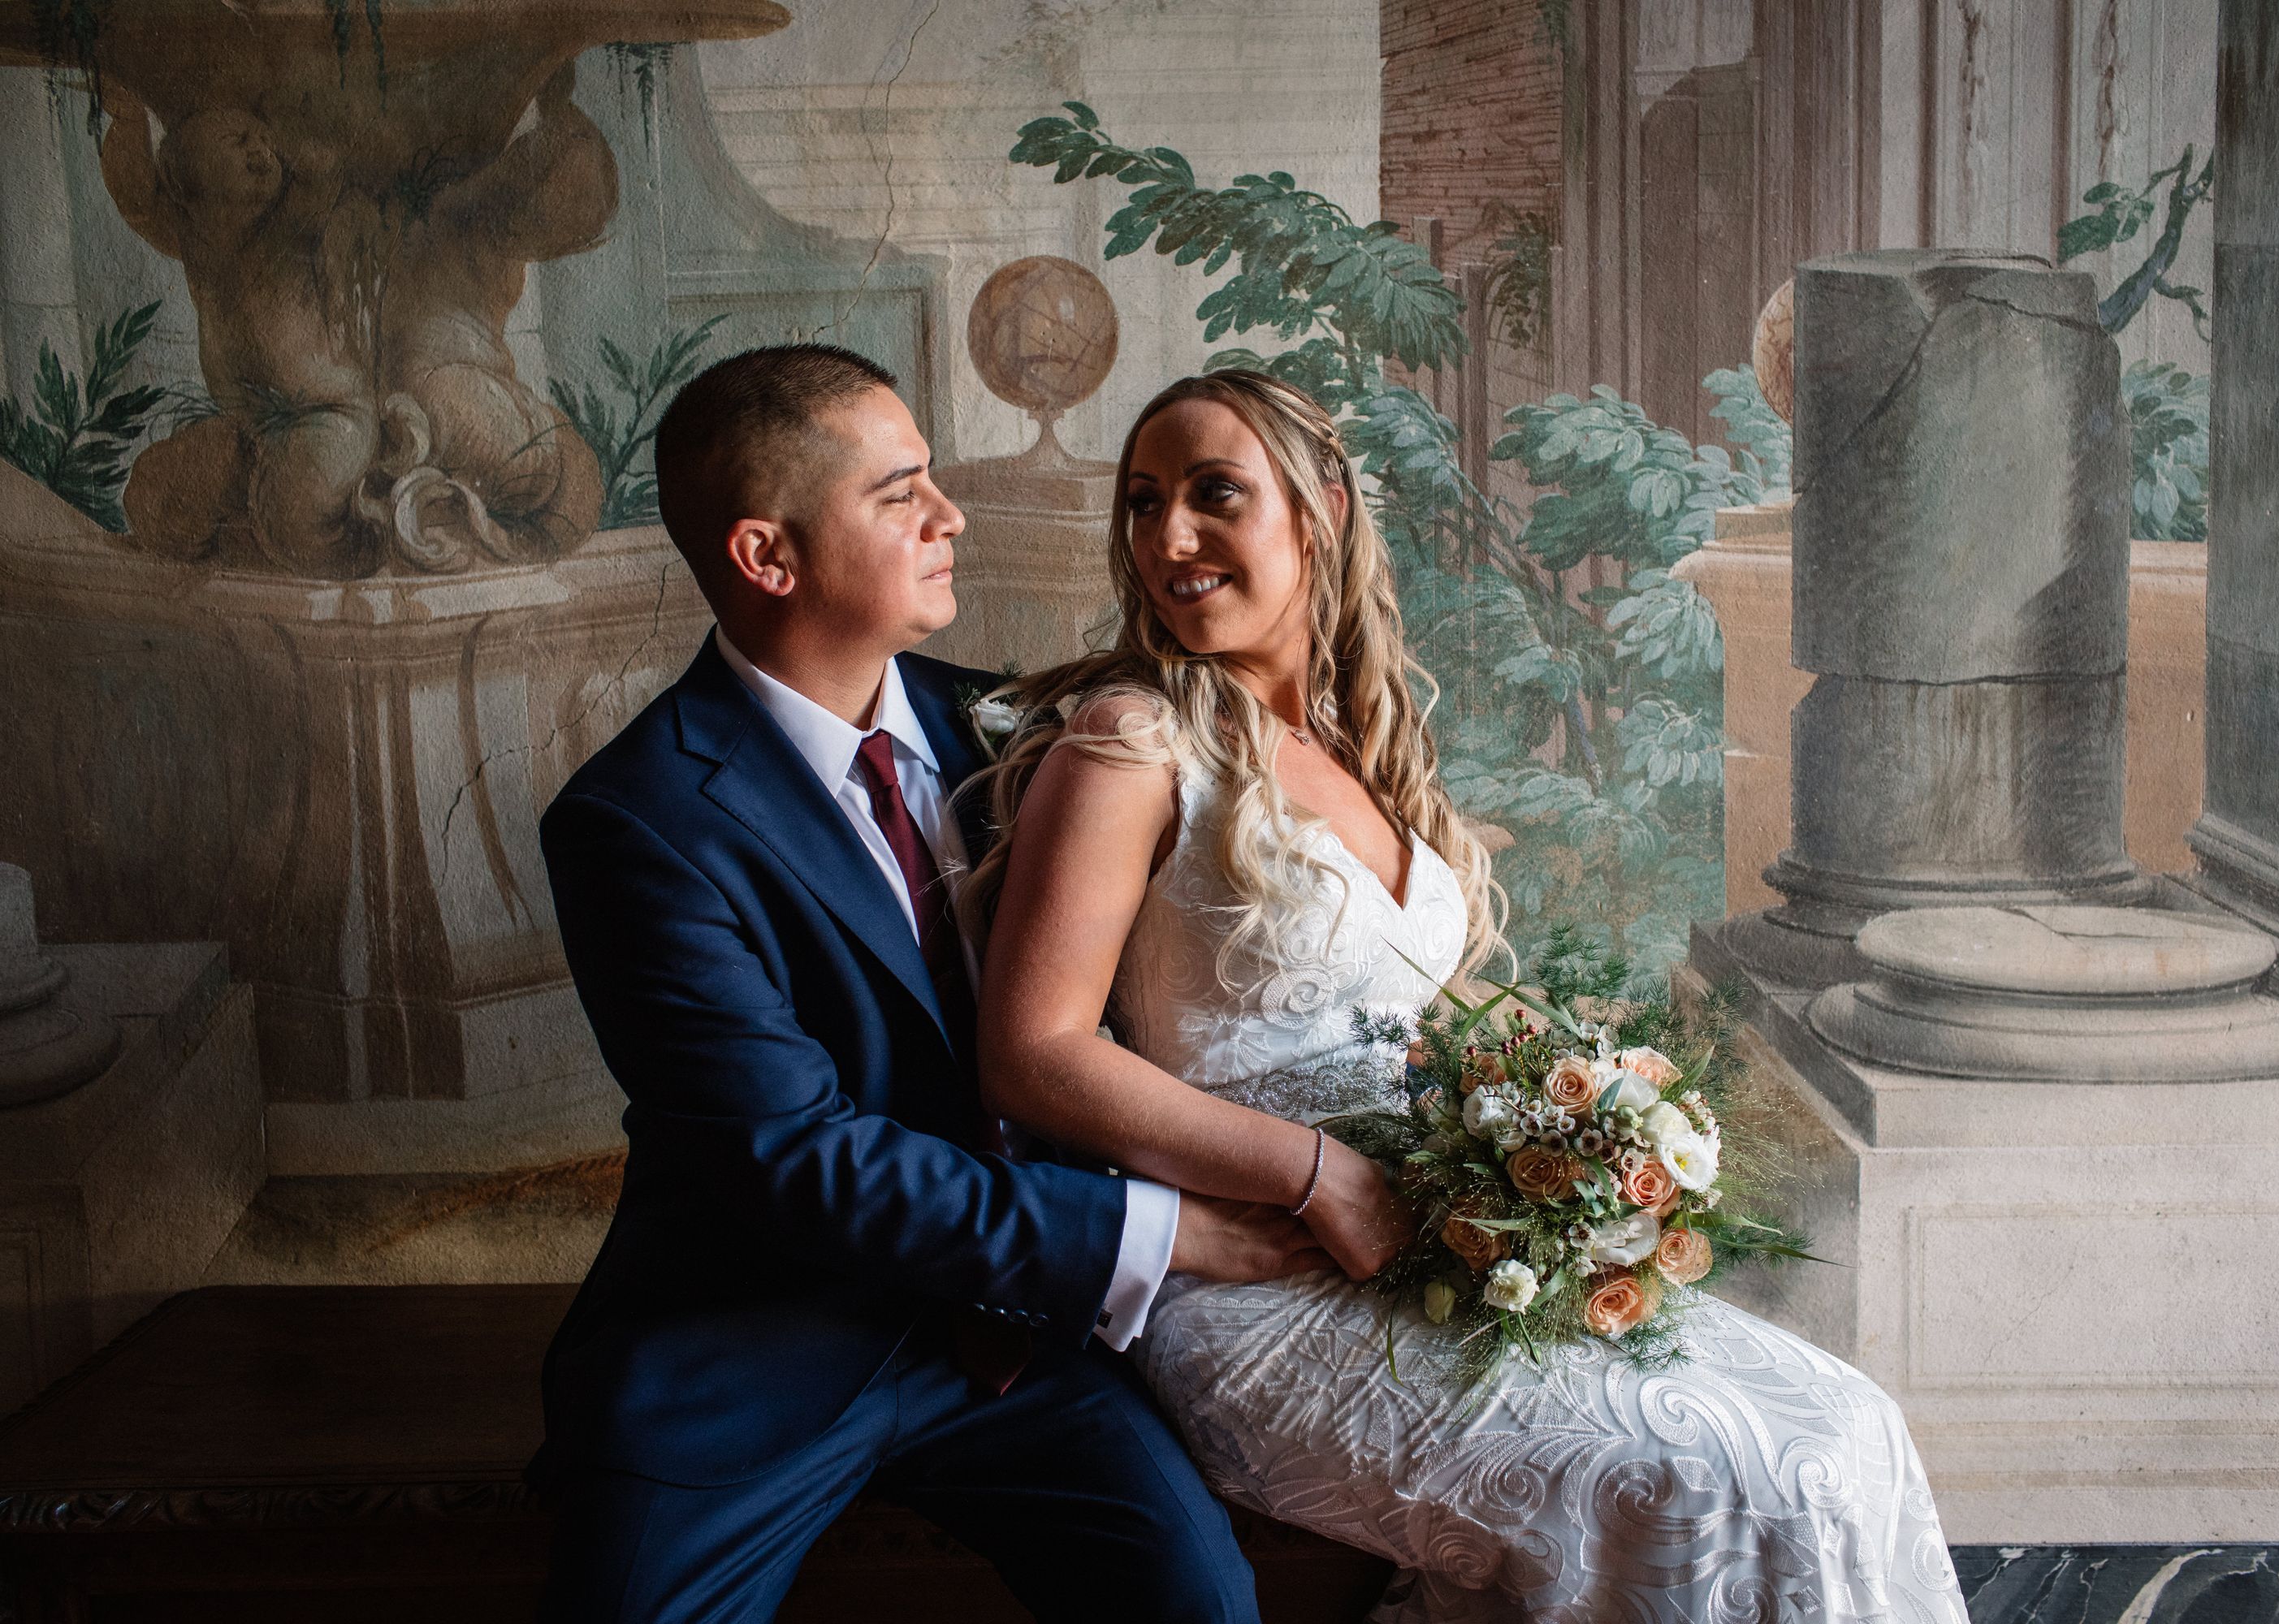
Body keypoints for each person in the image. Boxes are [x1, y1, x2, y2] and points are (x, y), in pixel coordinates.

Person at [969, 369, 1973, 1623]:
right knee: (1703, 1482)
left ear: (1322, 510)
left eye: (1213, 494)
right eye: (1142, 503)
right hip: (1262, 1277)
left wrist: (1587, 1112)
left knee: (1844, 1429)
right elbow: (1035, 1053)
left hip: (1442, 1248)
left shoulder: (1354, 745)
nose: (1169, 537)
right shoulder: (1131, 742)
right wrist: (1320, 1177)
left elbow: (1419, 1015)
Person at [531, 343, 1325, 1622]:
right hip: (761, 1346)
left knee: (1202, 1601)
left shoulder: (1014, 729)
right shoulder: (639, 823)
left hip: (1022, 1339)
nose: (950, 516)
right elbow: (801, 1162)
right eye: (901, 495)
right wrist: (1164, 1233)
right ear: (768, 556)